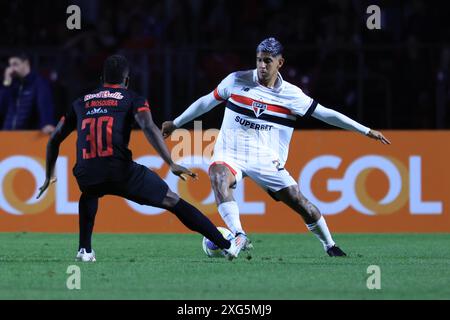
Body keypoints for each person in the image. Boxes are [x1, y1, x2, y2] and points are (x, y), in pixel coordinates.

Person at [162, 38, 391, 257]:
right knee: (217, 175)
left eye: (268, 61)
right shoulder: (236, 80)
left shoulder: (292, 95)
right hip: (230, 152)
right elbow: (206, 101)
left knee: (299, 202)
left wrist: (365, 130)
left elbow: (327, 115)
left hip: (265, 158)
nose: (262, 65)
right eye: (259, 59)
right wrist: (176, 123)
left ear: (279, 62)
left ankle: (330, 244)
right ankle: (239, 235)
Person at [37, 54, 244, 262]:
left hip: (86, 171)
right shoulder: (132, 99)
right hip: (120, 172)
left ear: (102, 79)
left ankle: (84, 251)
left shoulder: (80, 102)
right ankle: (226, 245)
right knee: (173, 201)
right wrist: (171, 162)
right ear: (126, 80)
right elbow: (147, 126)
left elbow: (54, 139)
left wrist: (48, 175)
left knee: (89, 193)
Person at [0, 52, 56, 133]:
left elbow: (45, 105)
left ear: (26, 63)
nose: (11, 69)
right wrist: (6, 83)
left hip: (27, 135)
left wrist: (47, 123)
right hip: (7, 134)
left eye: (15, 64)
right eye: (10, 65)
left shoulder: (38, 82)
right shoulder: (11, 84)